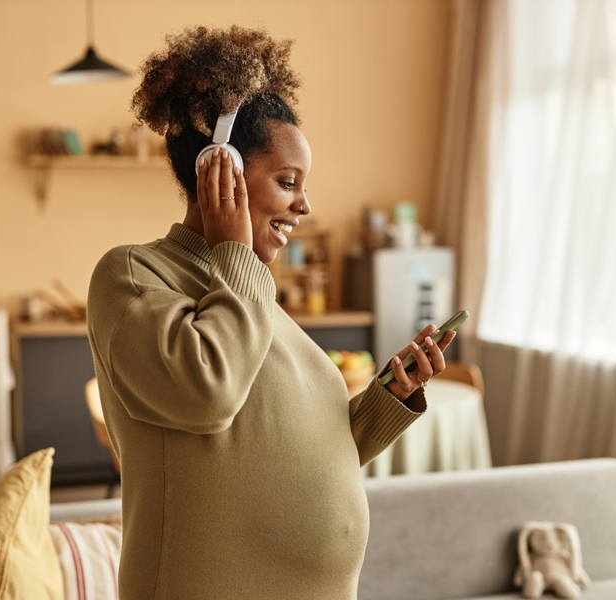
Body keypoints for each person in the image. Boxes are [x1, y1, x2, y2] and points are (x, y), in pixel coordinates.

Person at [86, 25, 456, 600]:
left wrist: (389, 398)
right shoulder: (133, 276)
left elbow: (303, 452)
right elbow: (207, 393)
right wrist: (234, 251)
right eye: (288, 182)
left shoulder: (253, 296)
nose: (304, 205)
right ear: (222, 169)